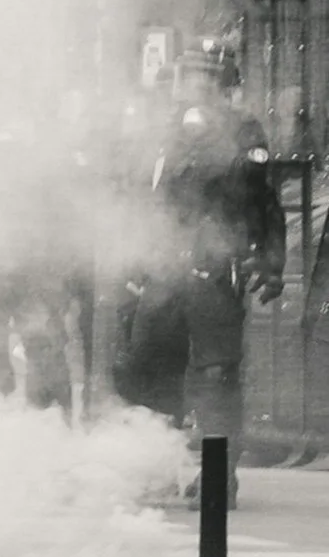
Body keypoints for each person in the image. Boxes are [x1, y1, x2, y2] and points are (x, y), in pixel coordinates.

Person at [114, 78, 286, 505]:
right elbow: (142, 201)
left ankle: (218, 476)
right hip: (163, 266)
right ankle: (157, 468)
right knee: (151, 367)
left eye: (208, 76)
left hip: (214, 265)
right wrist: (131, 265)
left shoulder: (241, 130)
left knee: (217, 375)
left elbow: (262, 200)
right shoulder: (162, 132)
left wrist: (269, 262)